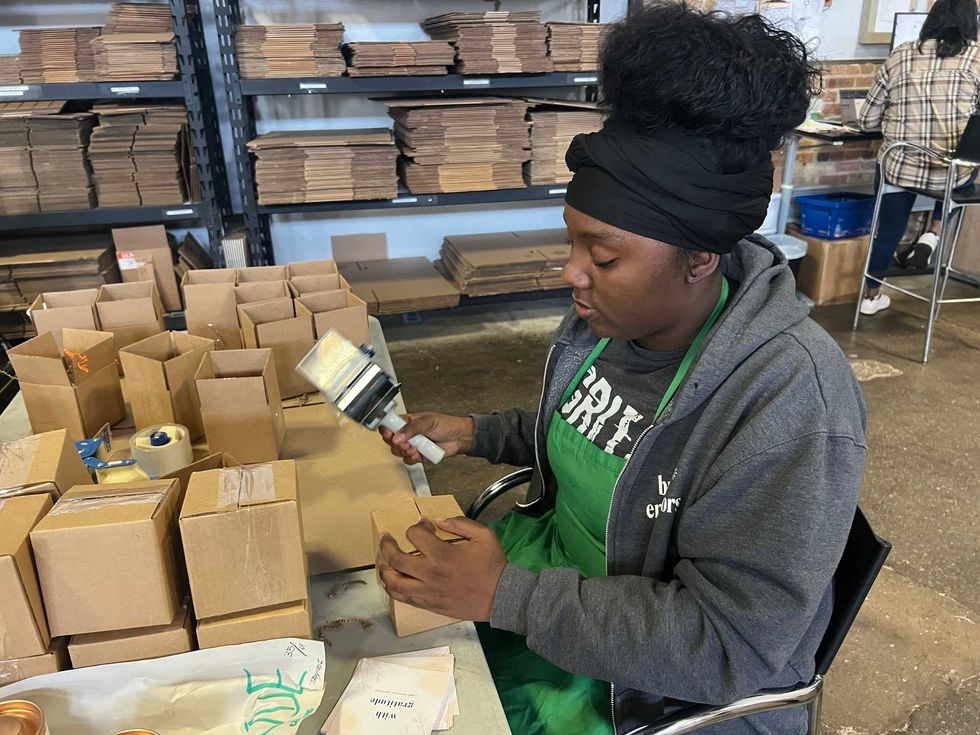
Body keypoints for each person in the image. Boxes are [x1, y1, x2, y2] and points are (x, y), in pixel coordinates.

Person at [377, 4, 867, 734]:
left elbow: (732, 644)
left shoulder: (789, 401)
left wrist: (507, 596)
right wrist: (480, 432)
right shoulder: (613, 319)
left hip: (647, 688)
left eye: (602, 256)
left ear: (700, 259)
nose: (573, 274)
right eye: (574, 244)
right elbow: (599, 429)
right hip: (550, 591)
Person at [858, 0, 980, 316]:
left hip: (899, 166)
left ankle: (871, 296)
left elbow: (867, 121)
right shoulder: (977, 59)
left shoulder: (900, 55)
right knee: (964, 169)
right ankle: (934, 233)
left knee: (889, 228)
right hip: (950, 176)